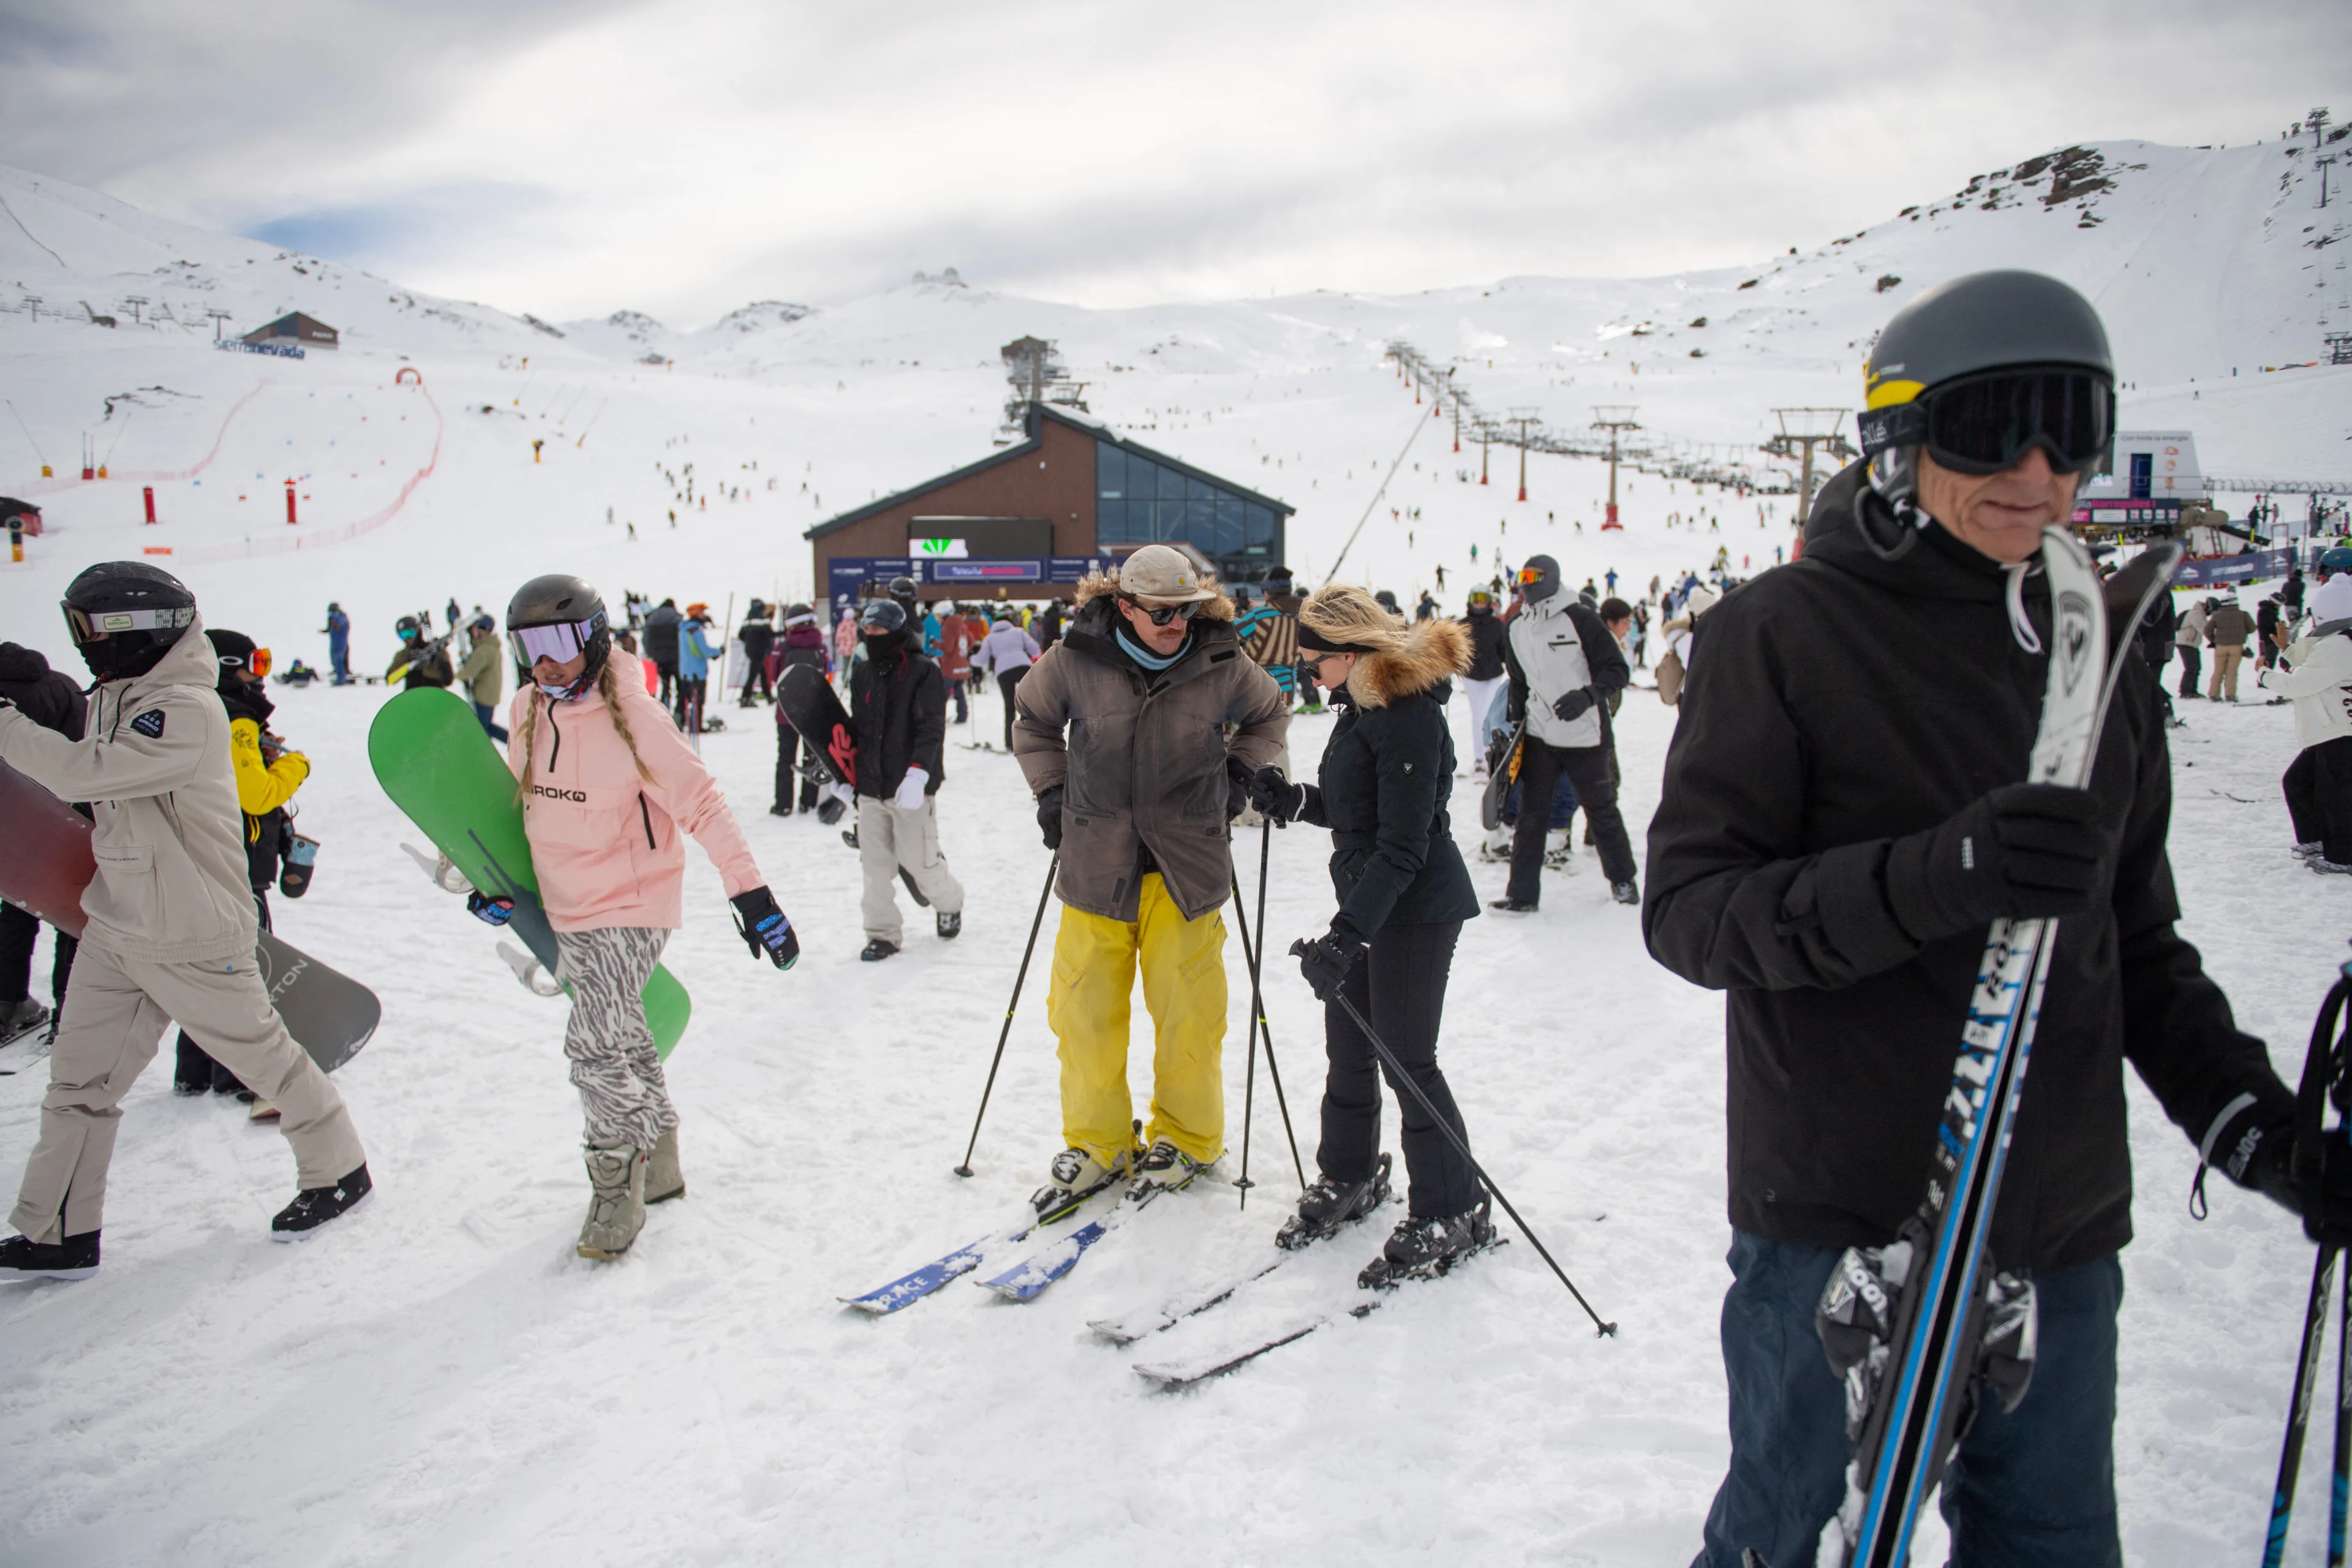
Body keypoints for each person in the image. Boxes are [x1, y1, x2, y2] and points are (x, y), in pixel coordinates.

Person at [1646, 270, 2299, 1566]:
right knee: (1793, 1536)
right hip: (1841, 1210)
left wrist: (2258, 1129)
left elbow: (2133, 945)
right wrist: (1940, 873)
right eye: (1995, 428)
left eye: (2075, 428)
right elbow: (1694, 911)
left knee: (2051, 1542)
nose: (2040, 472)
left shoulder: (2099, 654)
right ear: (1900, 438)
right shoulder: (1783, 633)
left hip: (2059, 1222)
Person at [0, 564, 372, 1280]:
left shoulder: (184, 710)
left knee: (264, 1057)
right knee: (79, 1082)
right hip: (118, 922)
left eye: (89, 628)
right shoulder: (119, 696)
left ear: (132, 632)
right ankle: (58, 1230)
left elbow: (80, 773)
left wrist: (5, 724)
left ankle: (340, 1169)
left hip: (192, 929)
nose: (82, 643)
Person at [486, 575, 798, 1260]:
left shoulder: (635, 714)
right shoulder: (527, 709)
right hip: (565, 902)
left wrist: (751, 895)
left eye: (559, 641)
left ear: (595, 638)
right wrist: (500, 887)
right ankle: (660, 1163)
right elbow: (528, 809)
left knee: (592, 1044)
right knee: (624, 1034)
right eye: (530, 646)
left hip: (633, 902)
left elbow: (703, 803)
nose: (546, 662)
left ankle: (614, 1180)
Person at [1009, 545, 1289, 1213]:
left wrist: (1240, 775)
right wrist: (1051, 791)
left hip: (1186, 865)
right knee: (1082, 1013)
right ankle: (1099, 1143)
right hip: (1095, 862)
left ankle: (1188, 1138)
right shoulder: (1075, 658)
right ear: (1126, 607)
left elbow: (1270, 713)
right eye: (1161, 612)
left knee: (1190, 1012)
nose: (1176, 624)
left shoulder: (1220, 659)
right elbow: (1033, 720)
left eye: (1186, 610)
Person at [1246, 587, 1489, 1278]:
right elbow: (1360, 809)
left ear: (1349, 654)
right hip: (1370, 899)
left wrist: (1348, 935)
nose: (1308, 675)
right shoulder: (1361, 707)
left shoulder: (1409, 715)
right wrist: (1298, 800)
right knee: (1350, 1044)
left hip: (1416, 904)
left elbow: (1404, 844)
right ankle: (1350, 1172)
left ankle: (1454, 1206)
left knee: (1407, 1055)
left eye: (1313, 662)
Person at [171, 627, 314, 1114]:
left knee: (209, 967)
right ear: (227, 668)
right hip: (236, 864)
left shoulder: (196, 711)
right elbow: (256, 795)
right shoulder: (236, 718)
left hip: (203, 859)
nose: (260, 676)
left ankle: (195, 1071)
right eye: (256, 665)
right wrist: (294, 766)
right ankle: (242, 1075)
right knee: (246, 968)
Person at [1494, 554, 1639, 910]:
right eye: (1523, 577)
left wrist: (1587, 697)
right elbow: (1519, 682)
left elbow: (1618, 670)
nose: (1527, 583)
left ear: (1552, 578)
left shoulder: (1580, 618)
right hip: (1540, 734)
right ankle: (1521, 895)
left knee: (1600, 809)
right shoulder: (1517, 627)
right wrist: (1514, 725)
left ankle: (1623, 881)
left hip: (1584, 735)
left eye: (1535, 576)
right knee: (1531, 815)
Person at [845, 600, 965, 960]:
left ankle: (950, 902)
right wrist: (846, 776)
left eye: (879, 629)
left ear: (896, 631)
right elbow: (857, 730)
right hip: (871, 788)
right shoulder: (863, 673)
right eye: (868, 630)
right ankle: (882, 934)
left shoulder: (923, 671)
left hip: (909, 788)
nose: (872, 635)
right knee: (874, 869)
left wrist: (918, 773)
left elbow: (931, 728)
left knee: (921, 864)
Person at [0, 642, 86, 1047]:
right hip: (66, 813)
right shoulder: (62, 686)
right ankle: (70, 1015)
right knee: (74, 912)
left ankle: (7, 1002)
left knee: (16, 910)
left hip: (13, 815)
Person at [2262, 613, 2352, 872]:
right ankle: (2317, 840)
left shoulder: (2340, 643)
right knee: (2298, 782)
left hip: (2339, 729)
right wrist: (2287, 650)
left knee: (2335, 796)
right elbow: (2315, 669)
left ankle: (2343, 857)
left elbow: (2301, 683)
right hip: (2329, 728)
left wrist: (2263, 675)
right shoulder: (2337, 641)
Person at [771, 605, 832, 817]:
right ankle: (809, 802)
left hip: (787, 712)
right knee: (812, 756)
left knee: (785, 757)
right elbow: (826, 671)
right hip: (814, 710)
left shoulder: (783, 647)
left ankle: (783, 804)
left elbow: (774, 674)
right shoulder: (820, 646)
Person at [973, 609, 1041, 751]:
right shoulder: (1019, 632)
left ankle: (1010, 743)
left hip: (1003, 671)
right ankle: (1031, 740)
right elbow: (1035, 649)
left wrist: (971, 659)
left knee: (1009, 707)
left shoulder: (990, 638)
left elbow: (981, 660)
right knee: (1028, 705)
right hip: (1023, 667)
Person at [1457, 587, 1509, 763]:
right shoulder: (1463, 625)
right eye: (1476, 599)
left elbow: (1504, 650)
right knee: (1478, 715)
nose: (1479, 603)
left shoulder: (1497, 625)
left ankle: (1490, 751)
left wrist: (1513, 668)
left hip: (1493, 676)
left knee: (1488, 713)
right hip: (1471, 676)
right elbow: (1454, 651)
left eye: (1483, 599)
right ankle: (1479, 756)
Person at [456, 612, 507, 741]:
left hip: (484, 696)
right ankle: (513, 741)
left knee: (482, 730)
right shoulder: (490, 646)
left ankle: (507, 743)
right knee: (486, 726)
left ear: (481, 630)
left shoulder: (484, 650)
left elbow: (470, 671)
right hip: (490, 694)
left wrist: (456, 676)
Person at [675, 603, 718, 731]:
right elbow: (704, 650)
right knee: (697, 701)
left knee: (684, 699)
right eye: (702, 613)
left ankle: (679, 723)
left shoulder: (683, 629)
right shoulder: (696, 631)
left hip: (685, 670)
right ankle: (696, 726)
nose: (704, 615)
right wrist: (718, 651)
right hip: (697, 671)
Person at [2206, 593, 2253, 702]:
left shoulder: (2217, 615)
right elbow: (2252, 629)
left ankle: (2214, 694)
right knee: (2232, 671)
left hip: (2220, 647)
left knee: (2218, 670)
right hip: (2237, 647)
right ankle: (2230, 695)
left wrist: (2214, 640)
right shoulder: (2243, 614)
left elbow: (2207, 630)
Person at [388, 614, 453, 690]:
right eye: (403, 635)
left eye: (410, 633)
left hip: (435, 695)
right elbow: (390, 679)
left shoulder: (437, 651)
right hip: (414, 696)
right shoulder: (403, 655)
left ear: (418, 631)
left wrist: (440, 661)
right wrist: (409, 663)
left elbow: (449, 681)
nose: (408, 638)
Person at [935, 601, 975, 725]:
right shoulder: (962, 624)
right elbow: (971, 641)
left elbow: (948, 648)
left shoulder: (948, 626)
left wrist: (935, 644)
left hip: (951, 667)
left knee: (943, 695)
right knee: (960, 692)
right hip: (963, 666)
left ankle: (938, 718)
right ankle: (962, 716)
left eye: (938, 616)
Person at [644, 597, 682, 709]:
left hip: (659, 658)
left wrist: (651, 653)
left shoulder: (652, 619)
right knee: (680, 685)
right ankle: (679, 711)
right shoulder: (678, 619)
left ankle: (665, 706)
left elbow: (645, 638)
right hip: (676, 657)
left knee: (665, 684)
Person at [737, 600, 776, 707]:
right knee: (753, 675)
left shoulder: (748, 620)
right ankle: (745, 697)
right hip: (760, 651)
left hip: (750, 650)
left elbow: (740, 635)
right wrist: (785, 632)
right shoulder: (763, 620)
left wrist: (749, 642)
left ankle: (768, 696)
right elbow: (771, 634)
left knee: (762, 674)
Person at [2173, 593, 2208, 698]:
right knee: (2191, 668)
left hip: (2191, 644)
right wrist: (2214, 638)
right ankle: (2185, 691)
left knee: (2196, 668)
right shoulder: (2195, 614)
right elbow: (2204, 629)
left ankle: (2193, 690)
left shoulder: (2199, 614)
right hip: (2186, 643)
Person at [323, 601, 352, 685]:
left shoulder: (341, 617)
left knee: (339, 659)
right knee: (335, 659)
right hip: (335, 642)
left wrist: (334, 620)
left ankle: (341, 678)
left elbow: (339, 627)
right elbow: (330, 628)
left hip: (341, 642)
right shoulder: (333, 617)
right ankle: (339, 675)